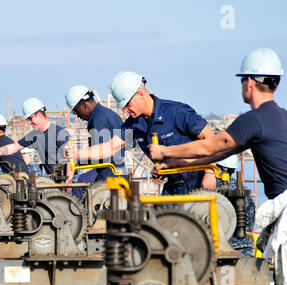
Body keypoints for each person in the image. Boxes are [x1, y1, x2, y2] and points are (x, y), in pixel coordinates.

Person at [148, 48, 287, 285]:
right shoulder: (281, 117)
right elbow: (216, 155)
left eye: (242, 81)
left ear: (249, 83)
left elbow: (209, 145)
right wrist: (174, 165)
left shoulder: (253, 120)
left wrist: (164, 151)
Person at [65, 71, 217, 195]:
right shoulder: (133, 124)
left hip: (199, 181)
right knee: (156, 227)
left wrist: (210, 172)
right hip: (174, 185)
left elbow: (210, 138)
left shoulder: (176, 111)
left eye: (127, 104)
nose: (125, 110)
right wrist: (76, 154)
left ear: (140, 94)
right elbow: (110, 148)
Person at [0, 99, 72, 182]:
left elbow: (71, 160)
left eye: (30, 119)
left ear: (39, 115)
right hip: (53, 181)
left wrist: (68, 184)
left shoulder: (59, 133)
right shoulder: (35, 135)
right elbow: (12, 148)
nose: (29, 122)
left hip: (65, 181)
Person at [65, 85, 127, 199]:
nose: (78, 116)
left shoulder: (99, 119)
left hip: (108, 174)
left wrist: (77, 158)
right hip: (119, 171)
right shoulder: (108, 113)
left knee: (82, 192)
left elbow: (102, 155)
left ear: (84, 105)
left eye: (76, 111)